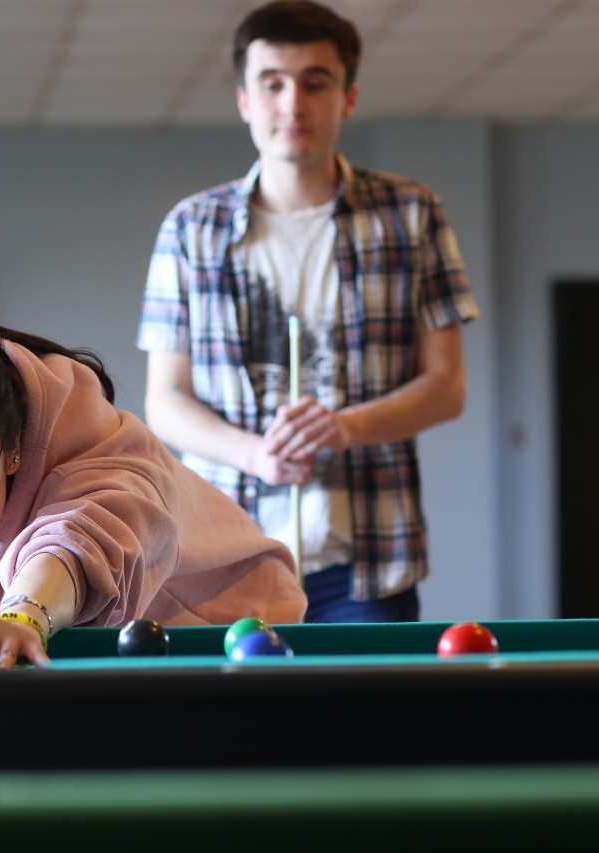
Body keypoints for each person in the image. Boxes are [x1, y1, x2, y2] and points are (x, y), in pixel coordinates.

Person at [136, 0, 480, 623]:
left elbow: (446, 388)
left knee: (362, 724)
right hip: (221, 558)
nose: (293, 103)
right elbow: (165, 400)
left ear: (348, 98)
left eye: (315, 82)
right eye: (272, 83)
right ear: (245, 100)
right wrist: (252, 453)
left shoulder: (412, 213)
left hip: (367, 565)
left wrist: (345, 427)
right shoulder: (191, 228)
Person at [0, 300, 306, 669]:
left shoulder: (97, 451)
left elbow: (79, 537)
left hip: (228, 629)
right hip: (75, 638)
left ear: (13, 451)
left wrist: (21, 616)